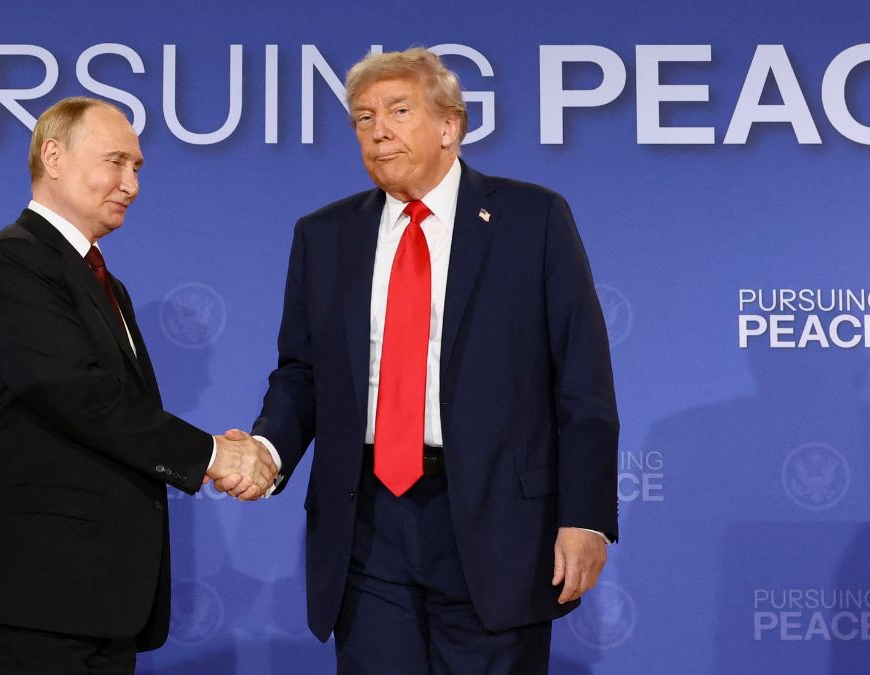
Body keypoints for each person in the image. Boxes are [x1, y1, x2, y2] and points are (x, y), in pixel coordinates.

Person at [220, 48, 619, 673]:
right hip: (367, 519)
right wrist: (268, 452)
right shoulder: (324, 236)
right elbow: (301, 374)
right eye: (362, 117)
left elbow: (582, 380)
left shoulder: (531, 219)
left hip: (495, 521)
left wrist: (586, 519)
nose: (378, 130)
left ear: (449, 126)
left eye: (398, 111)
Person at [0, 96, 276, 674]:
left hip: (104, 600)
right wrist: (215, 455)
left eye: (138, 168)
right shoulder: (12, 261)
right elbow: (81, 397)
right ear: (53, 156)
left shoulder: (106, 284)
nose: (132, 184)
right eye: (115, 162)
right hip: (34, 596)